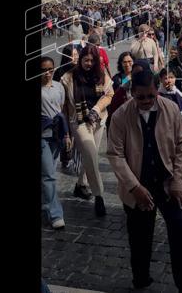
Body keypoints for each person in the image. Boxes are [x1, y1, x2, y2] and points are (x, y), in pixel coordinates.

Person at [106, 70, 182, 292]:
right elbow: (115, 155)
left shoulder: (171, 108)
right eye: (140, 97)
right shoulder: (120, 116)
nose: (146, 102)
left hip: (168, 183)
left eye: (150, 96)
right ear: (132, 94)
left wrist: (179, 181)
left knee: (181, 232)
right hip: (138, 185)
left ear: (156, 91)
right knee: (140, 238)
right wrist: (134, 186)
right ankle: (141, 278)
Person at [61, 44, 114, 216]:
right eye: (86, 60)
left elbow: (109, 95)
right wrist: (66, 132)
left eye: (92, 60)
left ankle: (79, 185)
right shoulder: (69, 77)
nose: (89, 63)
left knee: (89, 156)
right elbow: (64, 107)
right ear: (81, 59)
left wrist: (97, 109)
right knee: (91, 154)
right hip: (78, 121)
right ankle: (99, 196)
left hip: (98, 119)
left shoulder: (101, 74)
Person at [40, 57, 70, 230]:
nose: (47, 73)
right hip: (42, 134)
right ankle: (56, 214)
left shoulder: (59, 87)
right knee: (50, 174)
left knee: (46, 172)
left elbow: (62, 109)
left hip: (56, 135)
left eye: (50, 69)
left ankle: (45, 205)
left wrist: (67, 134)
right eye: (44, 69)